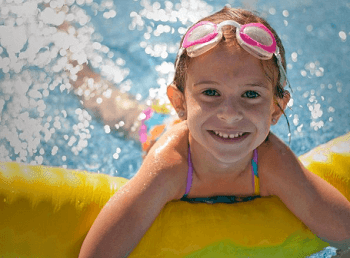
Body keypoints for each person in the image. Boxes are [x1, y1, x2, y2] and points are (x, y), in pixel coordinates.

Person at [78, 7, 350, 258]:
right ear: (180, 103)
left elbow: (344, 232)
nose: (230, 113)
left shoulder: (272, 162)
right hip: (157, 130)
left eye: (251, 94)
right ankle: (76, 64)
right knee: (112, 107)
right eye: (211, 92)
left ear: (276, 109)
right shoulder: (170, 166)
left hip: (200, 122)